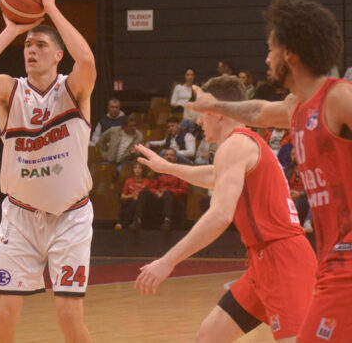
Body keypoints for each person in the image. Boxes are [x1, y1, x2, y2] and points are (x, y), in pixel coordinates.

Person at [187, 0, 352, 343]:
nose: (266, 58)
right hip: (331, 258)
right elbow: (259, 112)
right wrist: (215, 104)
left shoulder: (339, 98)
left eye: (270, 49)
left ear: (289, 55)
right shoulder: (297, 106)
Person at [136, 75, 317, 343]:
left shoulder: (235, 145)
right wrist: (169, 168)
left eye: (202, 112)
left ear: (218, 111)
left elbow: (220, 215)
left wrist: (168, 261)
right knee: (208, 337)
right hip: (263, 260)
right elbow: (214, 175)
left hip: (283, 261)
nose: (199, 121)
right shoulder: (242, 145)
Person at [0, 0, 95, 342]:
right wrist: (11, 30)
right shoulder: (10, 90)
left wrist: (50, 8)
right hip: (20, 219)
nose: (31, 50)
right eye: (27, 45)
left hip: (70, 218)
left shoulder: (73, 89)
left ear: (58, 55)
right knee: (5, 314)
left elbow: (86, 59)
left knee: (68, 315)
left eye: (40, 44)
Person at [129, 148, 189, 232]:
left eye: (171, 155)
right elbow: (151, 187)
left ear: (175, 158)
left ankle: (167, 221)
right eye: (166, 155)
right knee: (144, 192)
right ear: (163, 158)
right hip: (159, 199)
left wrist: (168, 192)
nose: (169, 157)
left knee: (168, 193)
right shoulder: (158, 172)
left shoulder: (180, 172)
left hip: (174, 200)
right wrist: (156, 192)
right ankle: (137, 221)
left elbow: (184, 190)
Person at [115, 162, 152, 231]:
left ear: (143, 170)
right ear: (133, 170)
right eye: (135, 168)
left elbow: (148, 195)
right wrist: (132, 196)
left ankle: (123, 224)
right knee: (132, 202)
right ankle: (126, 223)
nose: (137, 170)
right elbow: (122, 196)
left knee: (137, 202)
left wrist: (138, 197)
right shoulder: (129, 181)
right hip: (130, 201)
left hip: (142, 204)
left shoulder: (147, 181)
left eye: (139, 168)